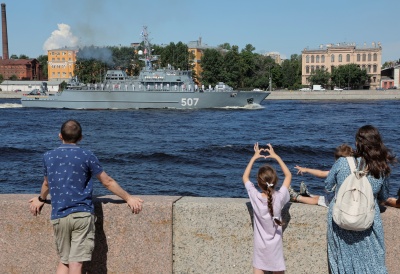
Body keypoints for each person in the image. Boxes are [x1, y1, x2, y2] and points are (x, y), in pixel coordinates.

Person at [29, 119, 144, 274]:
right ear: (81, 137)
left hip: (59, 215)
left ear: (60, 136)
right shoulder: (86, 155)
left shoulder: (48, 156)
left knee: (64, 261)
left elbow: (47, 184)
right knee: (76, 263)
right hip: (81, 215)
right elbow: (107, 182)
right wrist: (128, 198)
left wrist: (40, 199)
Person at [325, 125, 396, 273]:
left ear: (357, 144)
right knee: (373, 262)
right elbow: (383, 197)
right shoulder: (380, 168)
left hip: (341, 220)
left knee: (343, 262)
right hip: (367, 221)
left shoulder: (342, 163)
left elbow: (328, 185)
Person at [242, 143, 291, 274]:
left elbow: (245, 177)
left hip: (260, 250)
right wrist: (276, 156)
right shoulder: (279, 197)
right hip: (275, 249)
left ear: (258, 183)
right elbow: (288, 175)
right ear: (275, 181)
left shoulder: (255, 197)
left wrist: (254, 157)